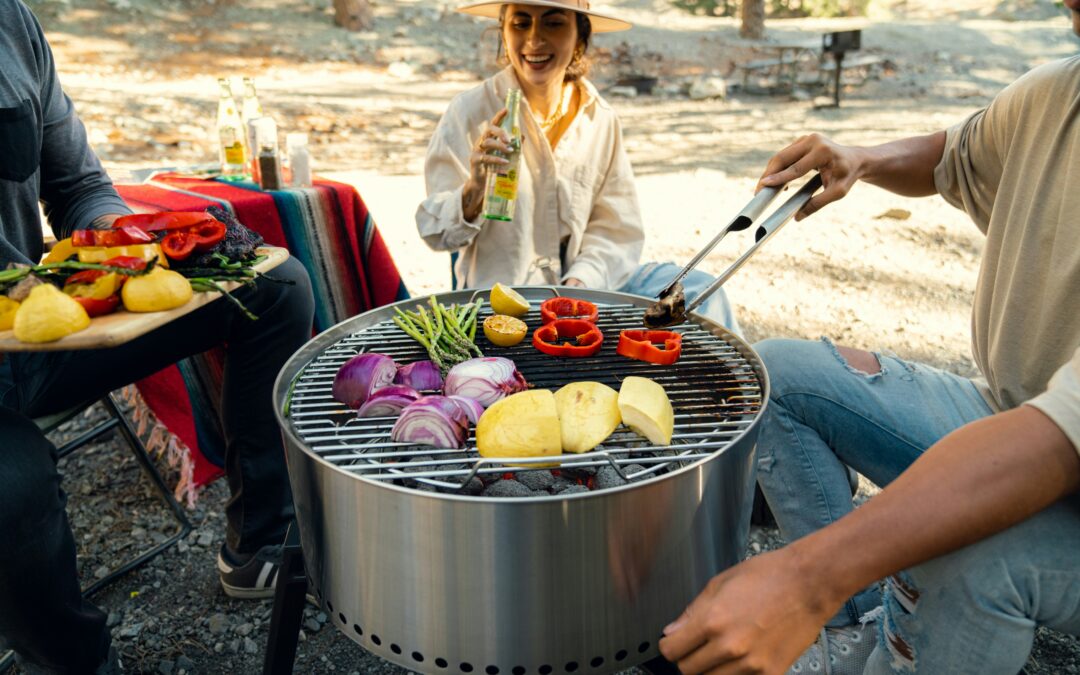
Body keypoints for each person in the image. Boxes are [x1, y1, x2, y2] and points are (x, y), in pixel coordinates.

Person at [659, 2, 1080, 671]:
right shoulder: (1059, 91)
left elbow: (1059, 443)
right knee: (778, 379)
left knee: (969, 557)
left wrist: (805, 577)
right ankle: (855, 633)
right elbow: (954, 154)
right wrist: (862, 159)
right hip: (1014, 411)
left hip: (1060, 449)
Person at [0, 1, 315, 672]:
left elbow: (79, 185)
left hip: (42, 331)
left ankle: (259, 544)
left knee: (277, 288)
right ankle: (73, 661)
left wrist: (125, 243)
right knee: (12, 483)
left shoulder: (12, 22)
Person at [415, 0, 741, 332]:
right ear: (503, 31)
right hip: (506, 305)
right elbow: (435, 233)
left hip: (591, 290)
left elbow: (615, 230)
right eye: (520, 23)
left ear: (579, 38)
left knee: (701, 292)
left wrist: (581, 281)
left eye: (553, 23)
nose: (534, 40)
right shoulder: (469, 112)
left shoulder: (599, 119)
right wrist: (474, 189)